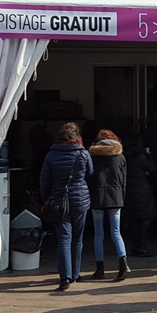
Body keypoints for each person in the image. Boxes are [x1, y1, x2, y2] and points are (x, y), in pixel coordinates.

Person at [40, 121, 93, 291]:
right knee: (77, 239)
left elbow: (44, 180)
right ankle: (76, 273)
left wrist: (47, 199)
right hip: (80, 200)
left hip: (58, 201)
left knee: (63, 239)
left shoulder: (51, 155)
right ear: (77, 136)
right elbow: (90, 173)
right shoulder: (83, 154)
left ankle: (65, 278)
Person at [88, 128, 129, 281]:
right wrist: (121, 198)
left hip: (97, 197)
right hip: (115, 197)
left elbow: (89, 177)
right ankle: (123, 263)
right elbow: (123, 181)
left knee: (98, 233)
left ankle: (100, 269)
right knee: (116, 232)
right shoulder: (120, 157)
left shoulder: (92, 156)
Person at [124, 134, 157, 257]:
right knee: (146, 218)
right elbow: (153, 170)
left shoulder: (126, 157)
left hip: (129, 191)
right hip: (142, 190)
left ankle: (134, 246)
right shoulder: (142, 157)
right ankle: (141, 246)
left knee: (134, 220)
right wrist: (149, 155)